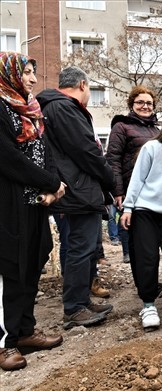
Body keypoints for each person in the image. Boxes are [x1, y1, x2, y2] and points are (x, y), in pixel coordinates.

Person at [0, 51, 66, 371]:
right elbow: (9, 160)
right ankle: (4, 343)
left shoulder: (32, 111)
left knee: (34, 260)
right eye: (25, 72)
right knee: (10, 269)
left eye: (32, 73)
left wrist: (53, 188)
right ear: (9, 74)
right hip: (9, 204)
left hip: (35, 202)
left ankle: (24, 331)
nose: (31, 79)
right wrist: (51, 182)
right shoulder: (1, 108)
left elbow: (45, 152)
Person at [38, 66, 115, 330]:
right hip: (78, 190)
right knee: (80, 250)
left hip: (76, 189)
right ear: (83, 85)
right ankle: (74, 308)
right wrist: (109, 178)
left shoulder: (54, 107)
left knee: (83, 249)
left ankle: (80, 301)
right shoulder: (64, 109)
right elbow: (86, 151)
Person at [120, 105, 162, 330]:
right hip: (145, 211)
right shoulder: (152, 147)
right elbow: (137, 179)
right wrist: (128, 207)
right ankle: (148, 304)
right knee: (147, 257)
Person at [106, 85, 160, 265]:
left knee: (152, 238)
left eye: (149, 103)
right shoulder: (121, 127)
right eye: (140, 102)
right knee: (134, 234)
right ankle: (139, 273)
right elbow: (113, 160)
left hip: (154, 190)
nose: (145, 106)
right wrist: (118, 192)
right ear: (131, 104)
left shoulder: (157, 130)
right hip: (131, 189)